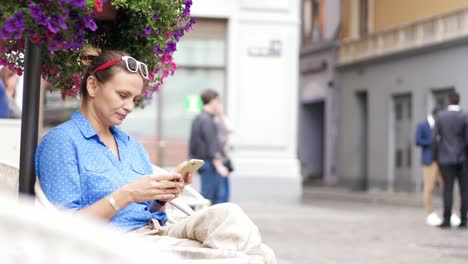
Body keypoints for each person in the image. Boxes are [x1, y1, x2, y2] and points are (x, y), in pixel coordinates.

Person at [35, 47, 275, 263]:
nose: (130, 106)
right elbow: (63, 228)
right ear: (93, 86)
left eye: (135, 98)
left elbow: (151, 213)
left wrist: (162, 197)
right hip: (113, 245)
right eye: (123, 95)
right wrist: (126, 194)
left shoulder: (131, 146)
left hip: (158, 233)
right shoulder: (62, 142)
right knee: (257, 255)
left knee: (229, 215)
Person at [433, 91, 468, 228]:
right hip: (463, 159)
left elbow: (435, 138)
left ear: (449, 101)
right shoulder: (465, 116)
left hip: (446, 159)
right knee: (464, 190)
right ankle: (463, 220)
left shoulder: (441, 116)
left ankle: (446, 220)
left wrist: (435, 157)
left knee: (447, 189)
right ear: (458, 100)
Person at [188, 89, 229, 205]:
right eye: (217, 101)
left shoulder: (198, 118)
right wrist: (219, 165)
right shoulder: (207, 120)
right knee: (213, 198)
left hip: (202, 163)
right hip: (209, 164)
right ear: (213, 101)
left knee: (206, 196)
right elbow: (212, 143)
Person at [415, 108, 443, 226]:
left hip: (441, 160)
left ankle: (447, 212)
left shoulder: (440, 125)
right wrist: (432, 141)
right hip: (429, 160)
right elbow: (417, 141)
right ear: (434, 115)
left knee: (446, 186)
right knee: (429, 187)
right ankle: (430, 212)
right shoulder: (422, 125)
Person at [214, 102, 235, 202]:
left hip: (224, 159)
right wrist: (218, 164)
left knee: (224, 193)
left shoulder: (220, 120)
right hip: (218, 160)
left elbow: (231, 129)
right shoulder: (214, 121)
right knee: (220, 194)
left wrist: (222, 114)